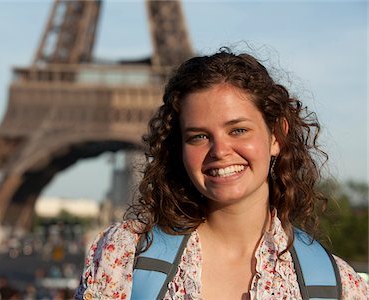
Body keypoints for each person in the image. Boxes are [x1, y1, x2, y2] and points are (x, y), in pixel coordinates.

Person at [75, 48, 368, 299]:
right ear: (179, 148)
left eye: (238, 130)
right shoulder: (123, 257)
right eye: (198, 136)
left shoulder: (342, 287)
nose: (220, 150)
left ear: (277, 136)